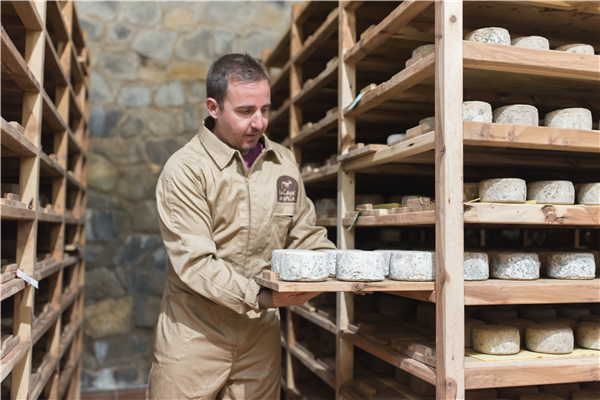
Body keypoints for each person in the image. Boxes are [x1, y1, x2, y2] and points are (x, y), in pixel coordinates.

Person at [147, 53, 336, 400]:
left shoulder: (283, 164)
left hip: (259, 336)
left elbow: (306, 235)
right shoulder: (185, 170)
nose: (259, 122)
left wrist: (340, 271)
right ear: (214, 108)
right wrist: (262, 297)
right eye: (246, 111)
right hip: (195, 332)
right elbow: (196, 263)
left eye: (265, 109)